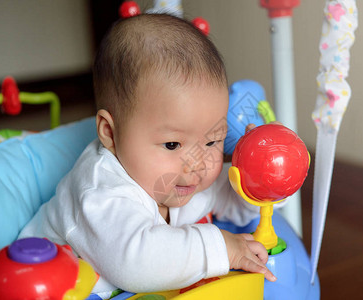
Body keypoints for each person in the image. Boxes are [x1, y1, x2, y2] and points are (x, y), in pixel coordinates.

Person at [19, 13, 277, 293]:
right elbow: (136, 263)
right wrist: (223, 248)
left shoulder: (185, 177)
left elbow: (228, 200)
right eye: (172, 145)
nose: (198, 164)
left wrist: (256, 181)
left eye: (213, 141)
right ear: (110, 133)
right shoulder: (99, 192)